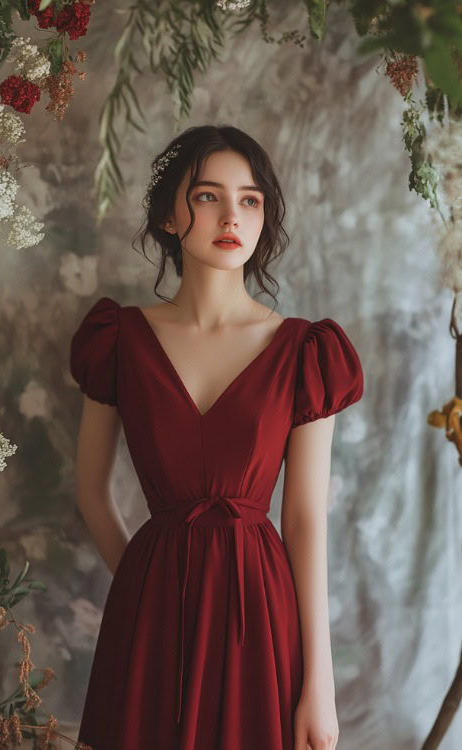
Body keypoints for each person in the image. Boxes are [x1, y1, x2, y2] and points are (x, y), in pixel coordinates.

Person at [69, 124, 364, 750]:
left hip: (259, 615)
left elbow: (306, 519)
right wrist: (145, 592)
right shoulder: (118, 338)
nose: (232, 214)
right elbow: (91, 491)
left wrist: (321, 682)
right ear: (170, 218)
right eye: (208, 196)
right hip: (148, 617)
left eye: (250, 200)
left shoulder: (305, 351)